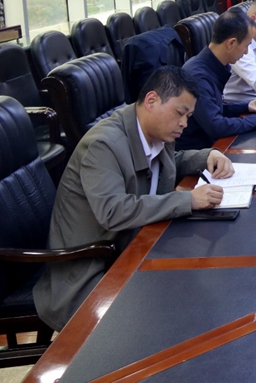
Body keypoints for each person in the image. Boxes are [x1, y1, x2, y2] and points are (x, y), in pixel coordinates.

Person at [33, 67, 235, 331]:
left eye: (188, 116)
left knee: (203, 285)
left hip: (133, 245)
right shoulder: (103, 145)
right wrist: (188, 200)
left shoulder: (156, 129)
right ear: (151, 100)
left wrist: (206, 156)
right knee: (179, 310)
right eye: (180, 113)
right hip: (88, 270)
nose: (184, 123)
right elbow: (113, 211)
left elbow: (164, 165)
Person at [176, 9, 256, 150]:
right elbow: (216, 126)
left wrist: (246, 106)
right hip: (199, 149)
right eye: (246, 45)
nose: (246, 52)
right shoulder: (198, 76)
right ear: (231, 43)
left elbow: (215, 108)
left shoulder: (213, 64)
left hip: (212, 143)